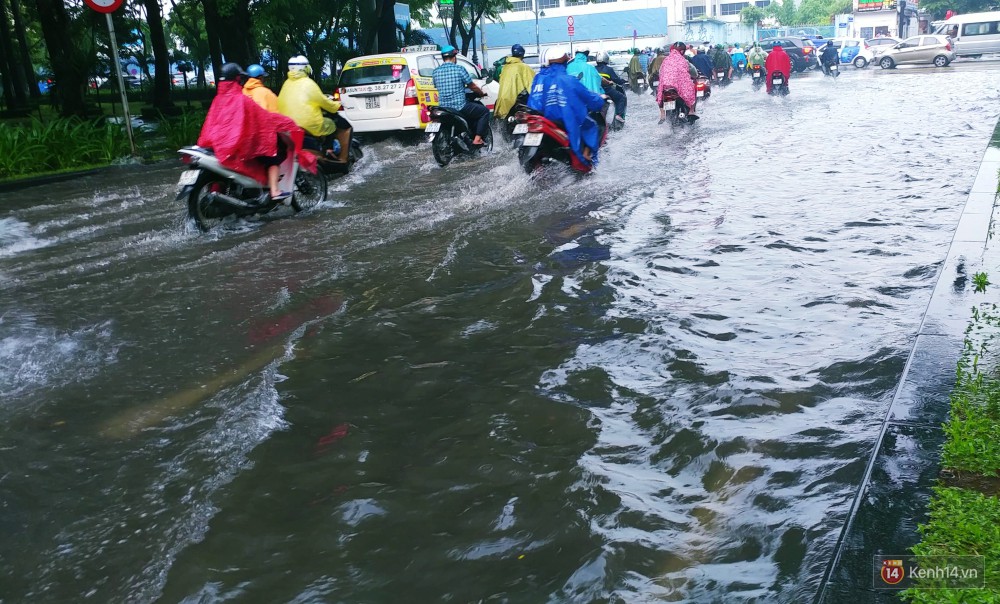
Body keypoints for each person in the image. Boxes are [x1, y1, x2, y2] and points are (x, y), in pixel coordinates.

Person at [198, 62, 315, 202]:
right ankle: (275, 191)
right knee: (273, 157)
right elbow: (265, 117)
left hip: (219, 144)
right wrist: (287, 123)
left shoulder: (219, 100)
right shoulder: (243, 98)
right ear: (238, 79)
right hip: (244, 142)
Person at [527, 46, 607, 166]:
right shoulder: (569, 79)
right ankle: (587, 158)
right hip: (565, 119)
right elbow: (589, 97)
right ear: (564, 62)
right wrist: (600, 100)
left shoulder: (542, 79)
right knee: (592, 126)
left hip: (547, 118)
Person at [277, 55, 353, 164]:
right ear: (306, 68)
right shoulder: (308, 83)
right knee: (333, 124)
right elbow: (323, 101)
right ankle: (339, 157)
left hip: (287, 125)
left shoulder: (286, 84)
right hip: (308, 124)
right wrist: (336, 105)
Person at [431, 45, 489, 147]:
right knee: (484, 112)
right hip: (459, 106)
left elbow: (437, 86)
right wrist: (481, 93)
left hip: (443, 107)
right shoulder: (459, 69)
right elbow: (472, 86)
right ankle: (477, 139)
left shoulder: (435, 72)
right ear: (454, 56)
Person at [657, 42, 699, 124]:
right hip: (678, 87)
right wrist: (695, 76)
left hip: (666, 87)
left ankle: (662, 114)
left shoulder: (665, 61)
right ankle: (691, 111)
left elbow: (660, 72)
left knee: (659, 93)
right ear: (682, 51)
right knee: (691, 90)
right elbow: (694, 72)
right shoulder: (684, 61)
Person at [494, 43, 535, 119]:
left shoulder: (505, 68)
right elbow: (532, 85)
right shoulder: (524, 67)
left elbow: (498, 79)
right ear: (522, 54)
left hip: (504, 102)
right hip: (520, 101)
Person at [595, 51, 627, 124]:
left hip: (596, 91)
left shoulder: (593, 69)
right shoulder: (609, 69)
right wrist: (622, 81)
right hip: (607, 90)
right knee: (622, 98)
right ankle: (619, 115)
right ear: (606, 59)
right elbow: (616, 79)